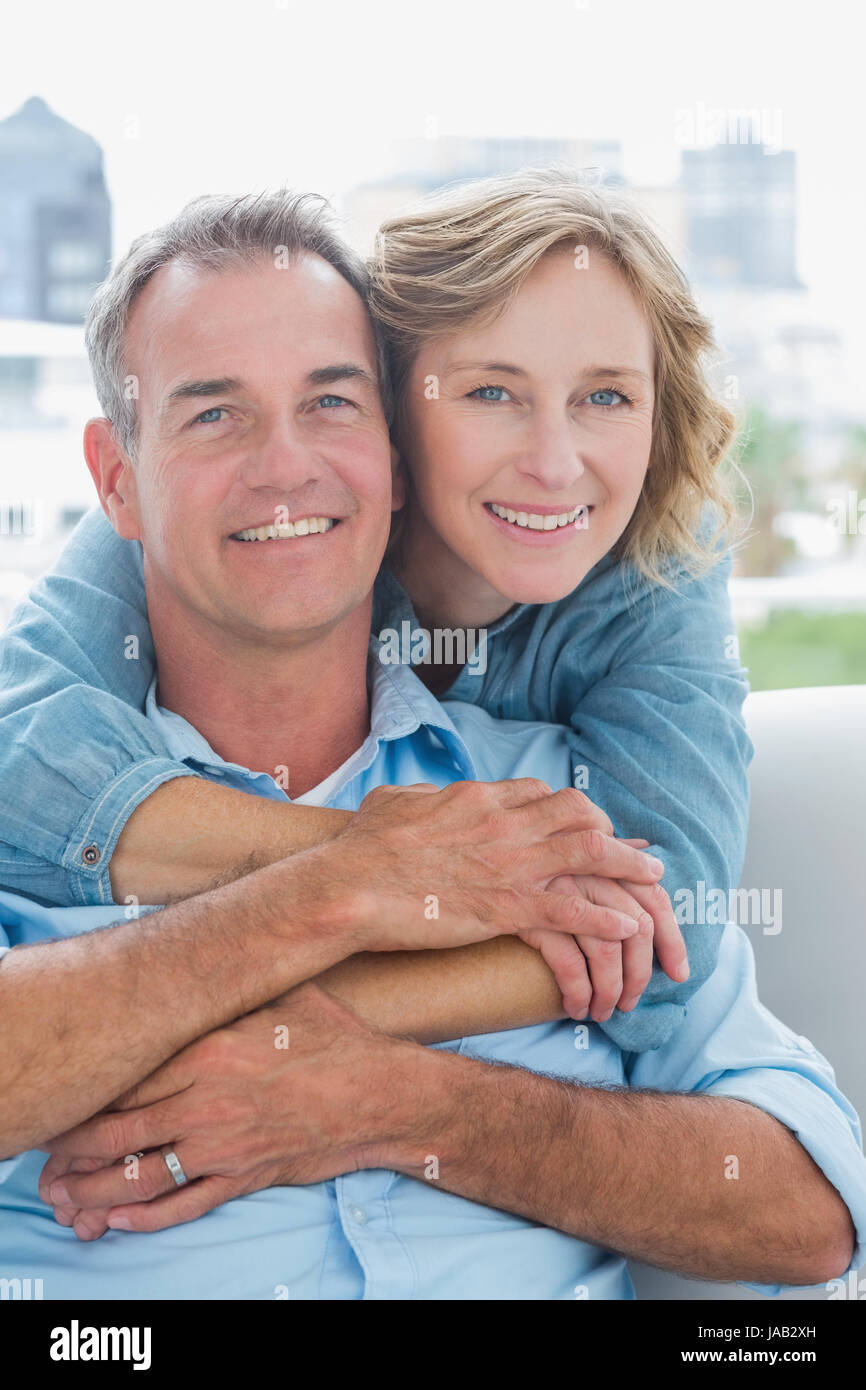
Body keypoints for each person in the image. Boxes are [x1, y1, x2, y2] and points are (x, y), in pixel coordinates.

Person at [0, 190, 863, 1301]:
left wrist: (396, 1104)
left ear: (389, 458)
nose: (284, 467)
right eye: (212, 414)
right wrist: (345, 880)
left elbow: (808, 1212)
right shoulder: (45, 781)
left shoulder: (551, 806)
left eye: (329, 404)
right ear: (117, 478)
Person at [0, 169, 752, 1048]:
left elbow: (667, 924)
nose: (554, 463)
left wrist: (266, 1037)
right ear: (396, 414)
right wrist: (387, 866)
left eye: (606, 396)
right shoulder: (218, 513)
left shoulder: (664, 559)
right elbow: (20, 762)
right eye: (491, 392)